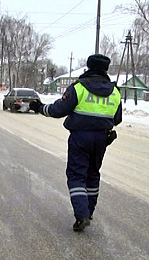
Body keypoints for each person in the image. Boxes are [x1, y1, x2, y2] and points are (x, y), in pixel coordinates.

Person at [30, 54, 122, 232]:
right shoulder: (115, 91)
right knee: (93, 174)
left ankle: (82, 215)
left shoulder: (79, 88)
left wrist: (40, 107)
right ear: (105, 69)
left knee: (76, 175)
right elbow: (117, 119)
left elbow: (59, 110)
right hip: (102, 139)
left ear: (88, 67)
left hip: (80, 137)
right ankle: (89, 210)